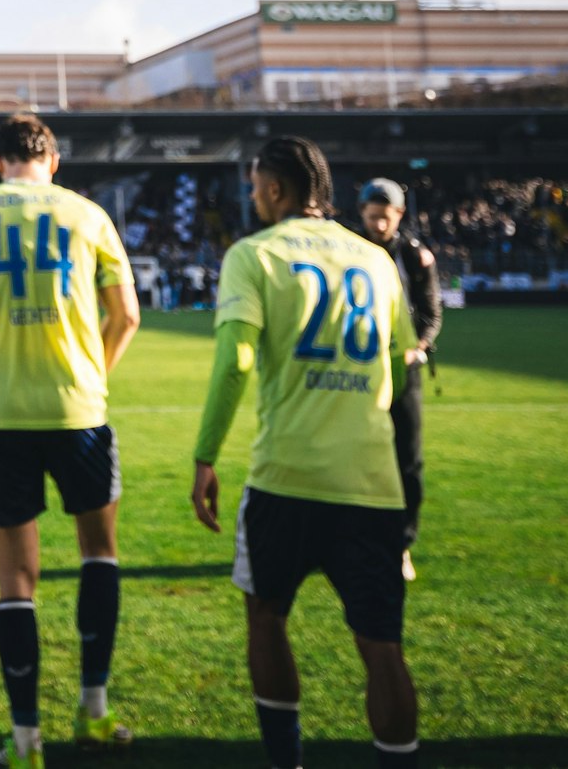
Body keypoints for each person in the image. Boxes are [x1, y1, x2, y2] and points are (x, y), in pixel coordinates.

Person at [192, 137, 421, 769]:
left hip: (285, 479)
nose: (251, 195)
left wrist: (206, 456)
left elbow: (236, 362)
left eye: (254, 185)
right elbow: (400, 377)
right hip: (372, 485)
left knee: (266, 620)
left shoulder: (253, 255)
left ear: (273, 189)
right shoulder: (376, 261)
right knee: (382, 648)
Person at [0, 113, 140, 769]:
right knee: (98, 552)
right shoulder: (89, 214)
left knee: (16, 573)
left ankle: (25, 743)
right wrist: (93, 370)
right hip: (79, 410)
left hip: (2, 416)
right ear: (54, 159)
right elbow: (126, 312)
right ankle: (94, 712)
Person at [351, 178, 441, 583]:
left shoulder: (415, 257)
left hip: (403, 372)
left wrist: (417, 346)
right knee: (353, 458)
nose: (378, 224)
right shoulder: (350, 251)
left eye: (384, 218)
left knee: (408, 460)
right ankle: (351, 540)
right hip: (359, 373)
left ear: (399, 215)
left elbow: (430, 313)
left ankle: (402, 546)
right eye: (372, 217)